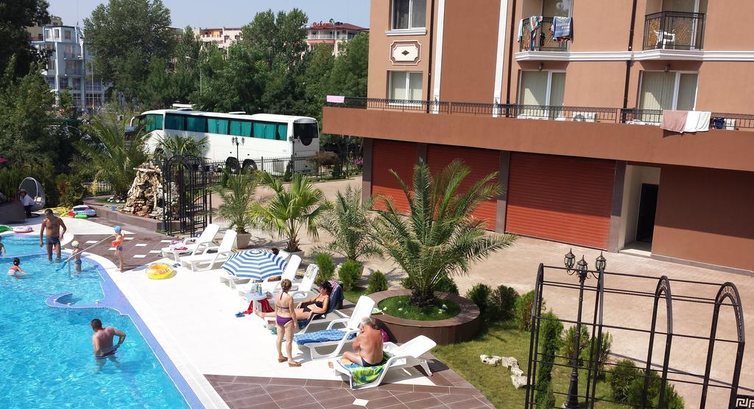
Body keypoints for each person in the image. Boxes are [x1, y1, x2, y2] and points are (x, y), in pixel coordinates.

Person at [274, 279, 300, 367]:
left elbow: (276, 309)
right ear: (290, 287)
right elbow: (292, 312)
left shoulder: (277, 296)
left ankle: (280, 356)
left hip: (279, 317)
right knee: (288, 341)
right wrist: (295, 322)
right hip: (287, 319)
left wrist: (276, 319)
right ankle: (290, 360)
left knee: (279, 338)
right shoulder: (289, 298)